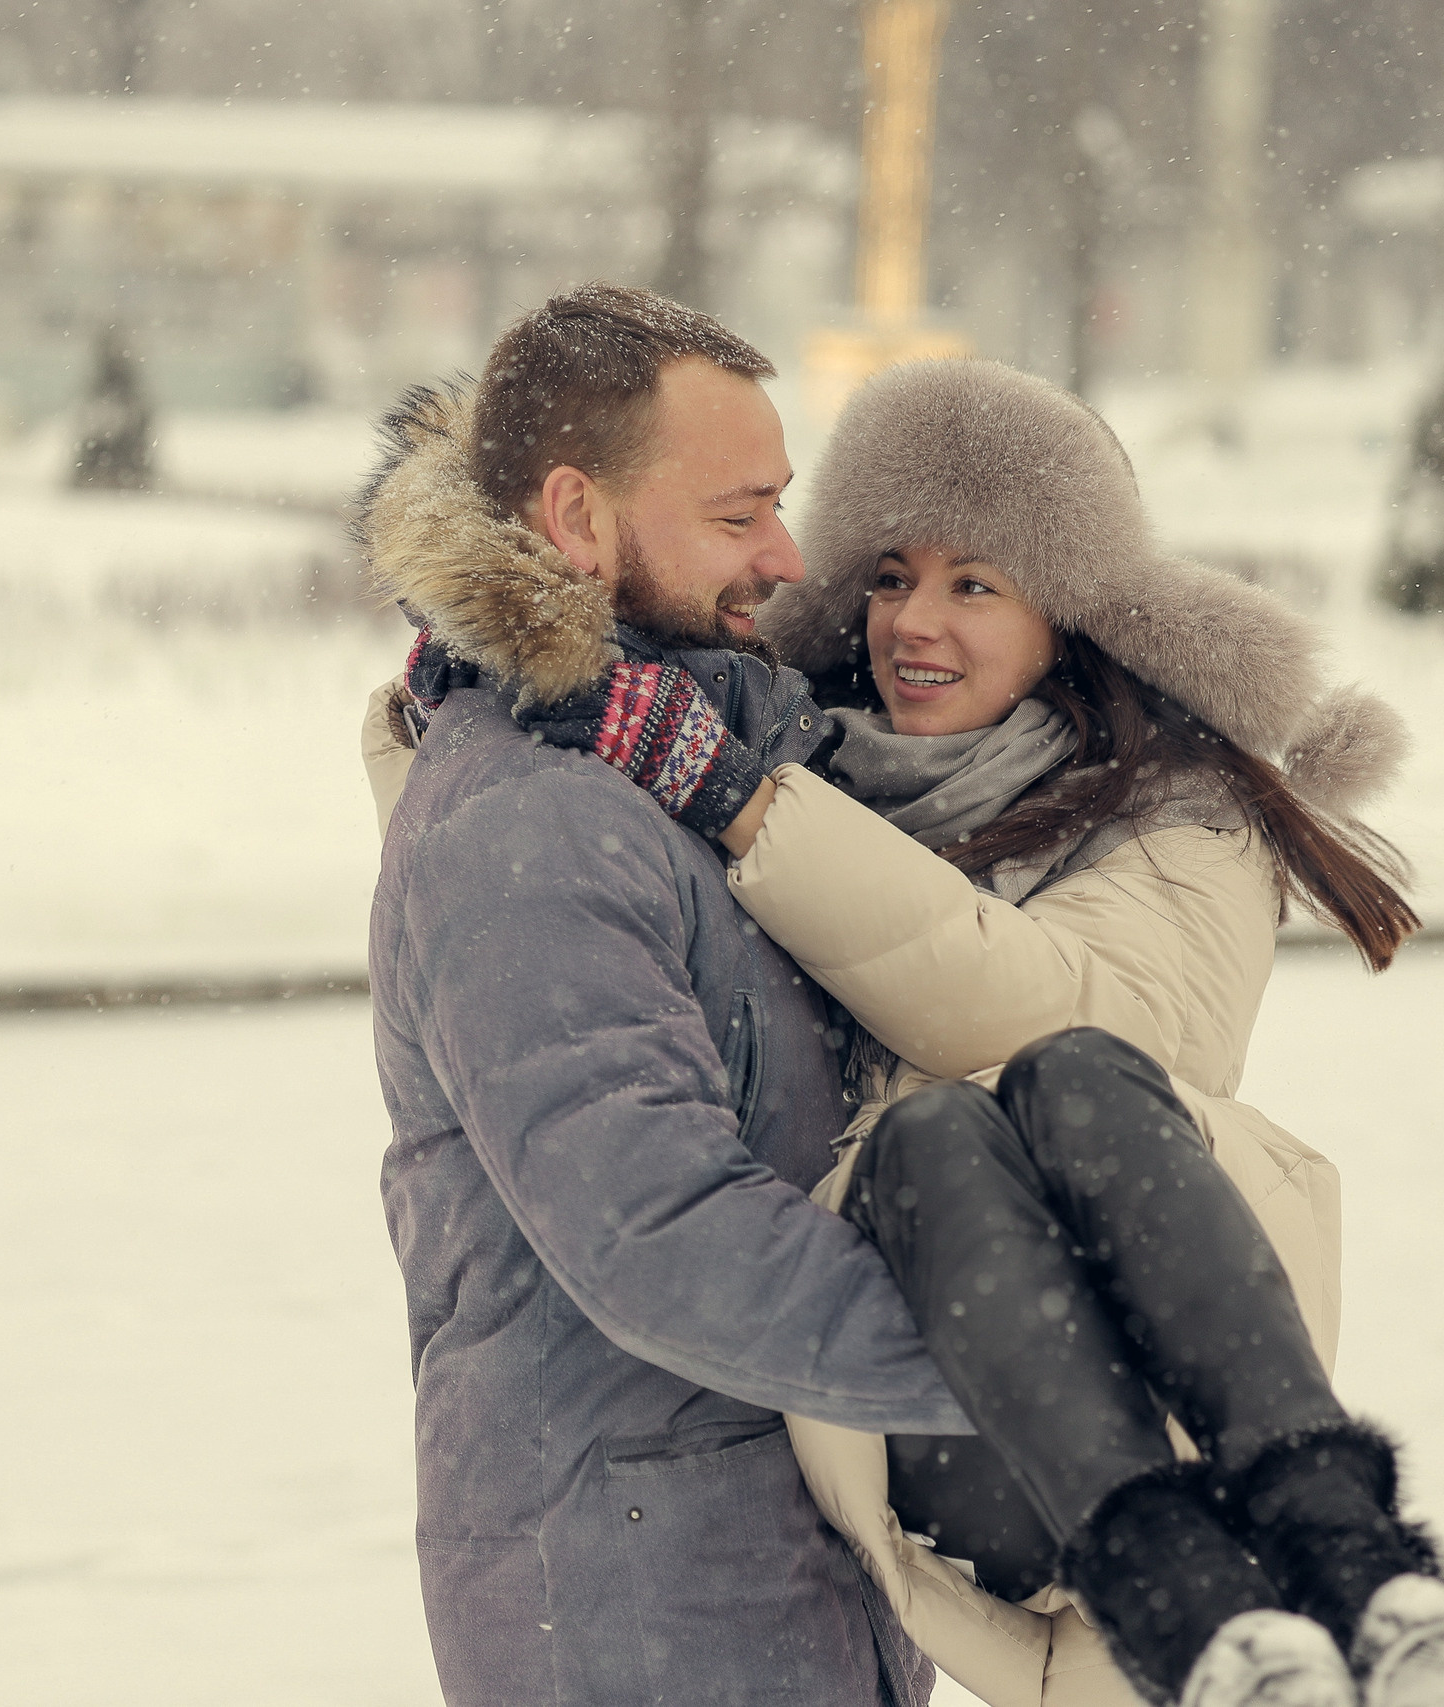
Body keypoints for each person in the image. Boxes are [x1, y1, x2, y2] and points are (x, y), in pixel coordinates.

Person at [402, 360, 1444, 1707]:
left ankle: (1359, 1561)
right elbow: (523, 869)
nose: (911, 622)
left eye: (976, 582)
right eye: (886, 574)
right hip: (933, 1422)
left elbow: (1063, 1008)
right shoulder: (828, 757)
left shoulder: (1180, 817)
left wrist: (751, 804)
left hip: (1147, 1373)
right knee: (934, 1133)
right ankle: (1207, 1610)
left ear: (1074, 612)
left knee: (1066, 1077)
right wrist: (478, 671)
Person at [356, 284, 977, 1707]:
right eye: (738, 511)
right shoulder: (532, 822)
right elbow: (663, 1233)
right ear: (576, 518)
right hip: (637, 1593)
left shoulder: (689, 769)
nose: (787, 551)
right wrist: (1030, 1375)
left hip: (756, 1562)